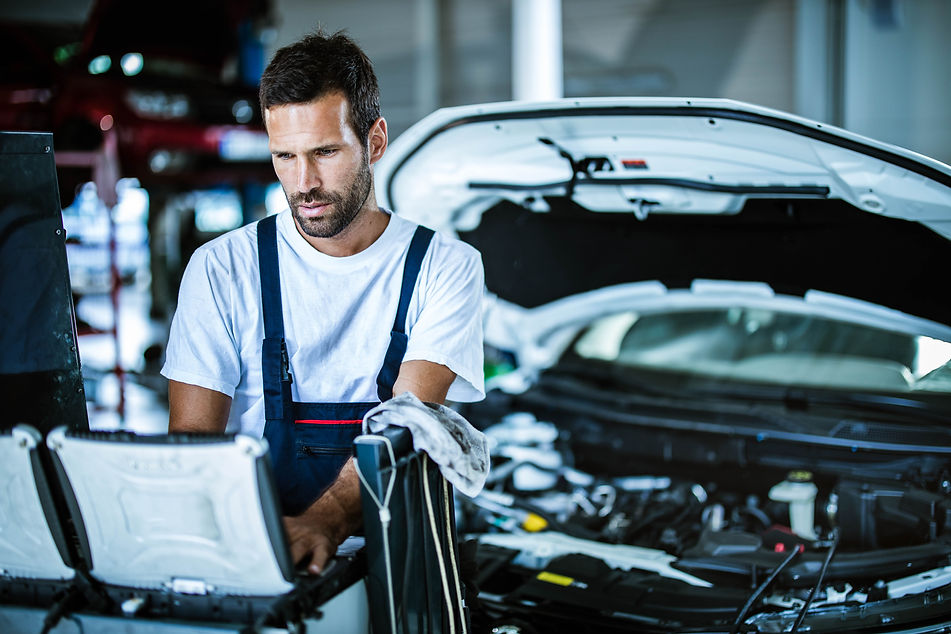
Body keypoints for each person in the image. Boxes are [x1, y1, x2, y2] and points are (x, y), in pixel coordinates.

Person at [161, 29, 485, 575]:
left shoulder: (442, 267)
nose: (303, 183)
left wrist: (325, 522)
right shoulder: (221, 269)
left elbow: (410, 422)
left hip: (400, 560)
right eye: (283, 156)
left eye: (325, 152)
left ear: (375, 142)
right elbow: (192, 444)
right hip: (264, 557)